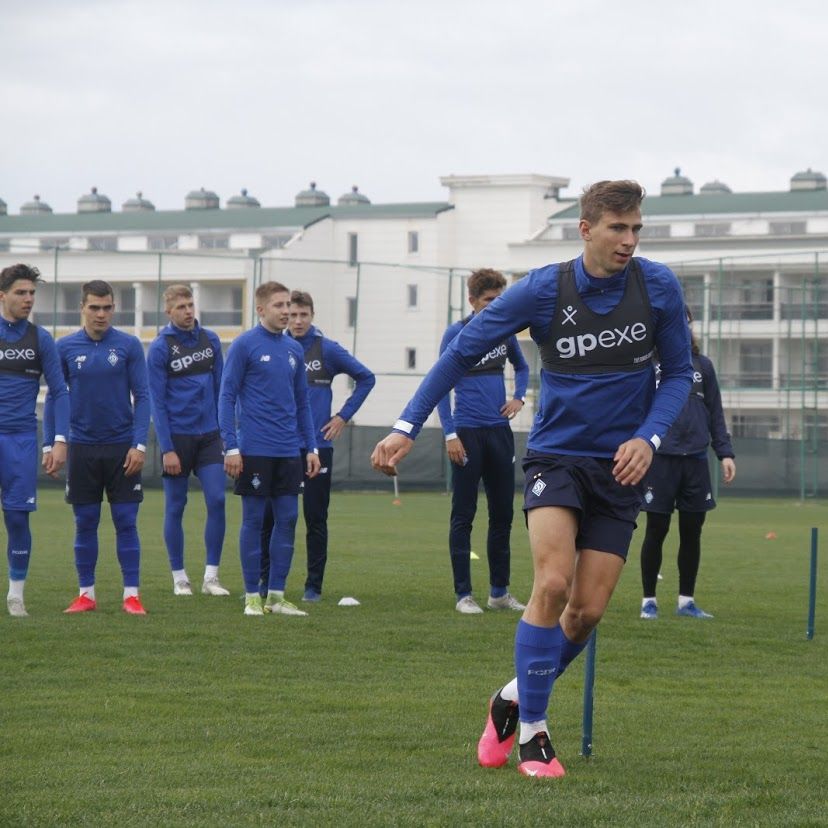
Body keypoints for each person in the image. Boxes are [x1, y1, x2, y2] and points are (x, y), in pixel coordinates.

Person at [371, 180, 693, 778]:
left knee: (588, 611)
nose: (629, 240)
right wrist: (406, 424)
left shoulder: (659, 286)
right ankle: (535, 734)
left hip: (621, 466)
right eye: (617, 228)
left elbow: (678, 375)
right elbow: (460, 354)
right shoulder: (545, 288)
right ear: (586, 229)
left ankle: (512, 697)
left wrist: (648, 438)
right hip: (557, 458)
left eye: (636, 228)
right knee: (551, 582)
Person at [260, 290, 375, 602]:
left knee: (315, 517)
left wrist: (342, 417)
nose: (297, 321)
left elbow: (366, 378)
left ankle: (313, 586)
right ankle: (264, 582)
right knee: (270, 517)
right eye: (292, 314)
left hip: (317, 447)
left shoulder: (327, 349)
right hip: (279, 446)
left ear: (312, 316)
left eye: (303, 315)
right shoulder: (274, 347)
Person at [45, 280, 151, 615]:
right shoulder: (64, 348)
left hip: (122, 448)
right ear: (82, 308)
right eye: (94, 307)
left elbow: (144, 396)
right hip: (82, 448)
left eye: (107, 308)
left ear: (113, 308)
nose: (101, 314)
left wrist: (139, 444)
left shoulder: (129, 345)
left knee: (125, 520)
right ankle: (86, 594)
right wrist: (54, 442)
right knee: (86, 520)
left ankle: (131, 595)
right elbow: (54, 398)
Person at [218, 281, 321, 617]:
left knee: (289, 519)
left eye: (288, 305)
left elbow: (302, 403)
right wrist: (230, 447)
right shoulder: (244, 345)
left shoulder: (293, 350)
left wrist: (311, 447)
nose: (287, 311)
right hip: (255, 450)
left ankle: (276, 597)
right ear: (261, 309)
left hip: (289, 450)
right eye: (279, 305)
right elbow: (226, 396)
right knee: (254, 520)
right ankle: (251, 596)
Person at [436, 268, 529, 614]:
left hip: (499, 434)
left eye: (499, 299)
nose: (495, 306)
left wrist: (519, 396)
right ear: (473, 301)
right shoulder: (455, 333)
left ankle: (499, 593)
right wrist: (450, 433)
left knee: (503, 515)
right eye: (489, 300)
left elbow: (522, 367)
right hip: (466, 435)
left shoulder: (505, 333)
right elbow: (440, 386)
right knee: (463, 515)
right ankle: (464, 595)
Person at [639, 308, 736, 620]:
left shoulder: (702, 366)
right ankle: (648, 602)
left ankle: (686, 602)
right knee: (656, 529)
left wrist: (725, 453)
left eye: (686, 322)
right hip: (659, 460)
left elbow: (715, 413)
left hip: (694, 460)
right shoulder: (648, 366)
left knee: (692, 531)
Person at [147, 284, 229, 598]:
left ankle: (212, 576)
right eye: (181, 307)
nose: (188, 311)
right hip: (177, 439)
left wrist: (226, 435)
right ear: (169, 312)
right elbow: (157, 401)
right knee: (176, 507)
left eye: (191, 305)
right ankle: (180, 576)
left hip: (209, 436)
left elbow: (223, 390)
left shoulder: (210, 340)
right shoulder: (160, 347)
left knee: (218, 500)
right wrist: (167, 448)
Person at [0, 264, 69, 617]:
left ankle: (16, 596)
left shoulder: (40, 339)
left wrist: (59, 441)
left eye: (31, 294)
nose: (28, 299)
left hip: (20, 440)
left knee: (17, 519)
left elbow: (59, 391)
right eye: (21, 293)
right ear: (3, 296)